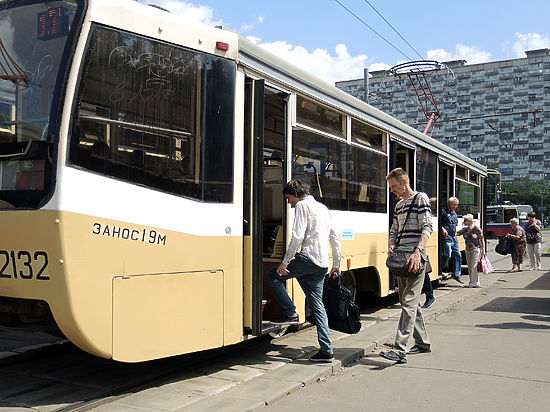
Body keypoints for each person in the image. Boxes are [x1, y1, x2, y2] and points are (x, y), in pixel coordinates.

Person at [266, 180, 341, 363]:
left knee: (273, 276)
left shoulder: (301, 206)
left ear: (295, 194)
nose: (289, 203)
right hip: (322, 263)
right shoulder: (323, 208)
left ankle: (290, 312)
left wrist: (285, 262)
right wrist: (336, 264)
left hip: (307, 259)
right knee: (318, 306)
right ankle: (326, 351)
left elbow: (298, 236)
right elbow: (334, 237)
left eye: (288, 198)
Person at [380, 168, 432, 364]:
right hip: (401, 257)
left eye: (394, 186)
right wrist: (392, 242)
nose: (392, 190)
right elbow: (394, 229)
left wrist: (418, 251)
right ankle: (423, 343)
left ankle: (400, 349)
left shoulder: (420, 198)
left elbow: (427, 227)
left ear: (404, 182)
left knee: (409, 302)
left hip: (414, 257)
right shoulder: (399, 205)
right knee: (408, 302)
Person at [456, 214, 485, 288]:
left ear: (470, 221)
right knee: (469, 266)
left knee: (474, 266)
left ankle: (473, 283)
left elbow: (482, 239)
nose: (464, 222)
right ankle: (473, 282)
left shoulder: (477, 229)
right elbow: (457, 234)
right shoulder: (465, 229)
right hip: (468, 249)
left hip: (476, 249)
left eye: (465, 220)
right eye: (464, 220)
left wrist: (483, 251)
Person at [441, 197, 463, 284]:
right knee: (448, 254)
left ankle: (456, 274)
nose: (456, 206)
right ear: (449, 204)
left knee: (458, 255)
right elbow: (438, 222)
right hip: (446, 238)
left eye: (457, 205)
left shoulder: (454, 214)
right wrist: (442, 229)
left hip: (454, 237)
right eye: (454, 204)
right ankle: (440, 268)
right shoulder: (443, 212)